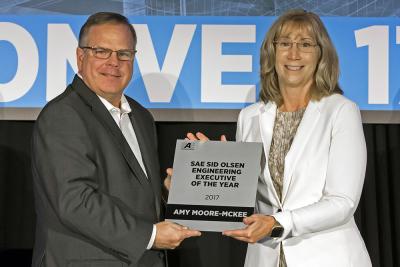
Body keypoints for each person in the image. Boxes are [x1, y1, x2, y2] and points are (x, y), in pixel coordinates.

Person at [186, 9, 372, 267]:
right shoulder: (250, 116)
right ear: (272, 52)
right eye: (284, 43)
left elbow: (342, 202)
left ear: (321, 54)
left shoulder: (340, 111)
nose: (293, 54)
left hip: (327, 257)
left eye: (305, 44)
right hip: (266, 258)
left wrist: (277, 223)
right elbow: (244, 202)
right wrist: (208, 173)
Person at [31, 12, 200, 267]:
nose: (114, 62)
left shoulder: (141, 117)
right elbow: (75, 201)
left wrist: (168, 189)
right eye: (101, 51)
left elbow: (133, 194)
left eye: (124, 53)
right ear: (80, 56)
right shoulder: (63, 115)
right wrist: (151, 235)